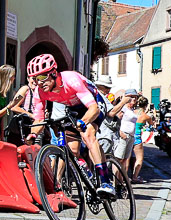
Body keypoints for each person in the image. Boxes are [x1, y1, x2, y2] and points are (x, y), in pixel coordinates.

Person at [24, 53, 115, 197]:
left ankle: (105, 181)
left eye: (42, 77)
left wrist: (83, 122)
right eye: (35, 79)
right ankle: (89, 177)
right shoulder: (39, 92)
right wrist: (33, 134)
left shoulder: (71, 79)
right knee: (72, 150)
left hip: (94, 104)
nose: (39, 82)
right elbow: (39, 118)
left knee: (88, 135)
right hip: (73, 109)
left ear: (53, 73)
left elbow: (93, 109)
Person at [130, 96, 152, 182]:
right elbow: (151, 125)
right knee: (139, 158)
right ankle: (135, 177)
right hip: (137, 138)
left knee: (127, 158)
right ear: (146, 105)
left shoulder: (132, 112)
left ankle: (124, 177)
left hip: (129, 135)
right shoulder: (146, 116)